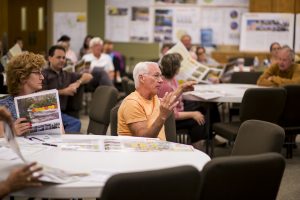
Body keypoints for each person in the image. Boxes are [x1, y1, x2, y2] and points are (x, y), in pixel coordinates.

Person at [118, 61, 195, 140]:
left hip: (157, 149)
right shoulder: (132, 103)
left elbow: (167, 101)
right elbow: (143, 139)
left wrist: (181, 89)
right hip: (142, 151)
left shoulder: (153, 98)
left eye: (160, 76)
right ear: (142, 78)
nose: (161, 80)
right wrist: (162, 116)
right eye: (156, 76)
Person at [42, 45, 93, 132]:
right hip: (47, 111)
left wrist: (77, 83)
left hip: (63, 112)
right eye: (58, 57)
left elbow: (89, 76)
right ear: (50, 58)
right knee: (76, 123)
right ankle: (63, 142)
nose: (62, 60)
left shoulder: (67, 74)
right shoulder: (43, 75)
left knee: (75, 123)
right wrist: (63, 92)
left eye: (63, 57)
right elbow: (41, 95)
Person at [158, 53, 206, 143]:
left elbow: (176, 96)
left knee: (206, 107)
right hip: (170, 120)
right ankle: (198, 144)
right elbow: (172, 115)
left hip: (179, 108)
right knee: (197, 119)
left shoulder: (172, 79)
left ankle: (208, 138)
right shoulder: (165, 86)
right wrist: (193, 114)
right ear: (175, 68)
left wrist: (183, 90)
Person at [0, 52, 45, 136]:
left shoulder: (44, 101)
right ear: (22, 76)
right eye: (37, 73)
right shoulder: (3, 107)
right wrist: (11, 132)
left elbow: (62, 135)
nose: (42, 77)